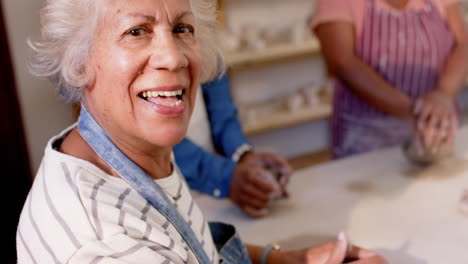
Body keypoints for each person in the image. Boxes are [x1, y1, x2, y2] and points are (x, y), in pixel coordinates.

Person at [16, 0, 386, 263]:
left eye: (182, 29)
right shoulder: (107, 247)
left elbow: (185, 238)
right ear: (79, 61)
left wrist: (286, 259)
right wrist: (226, 178)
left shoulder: (125, 147)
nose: (174, 57)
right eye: (136, 31)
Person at [310, 0, 468, 159]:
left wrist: (443, 94)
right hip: (368, 139)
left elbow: (463, 44)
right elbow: (341, 62)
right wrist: (415, 111)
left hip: (437, 127)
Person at [174, 73, 293, 218]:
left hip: (208, 194)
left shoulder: (207, 54)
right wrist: (224, 175)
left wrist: (242, 154)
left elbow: (221, 109)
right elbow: (152, 136)